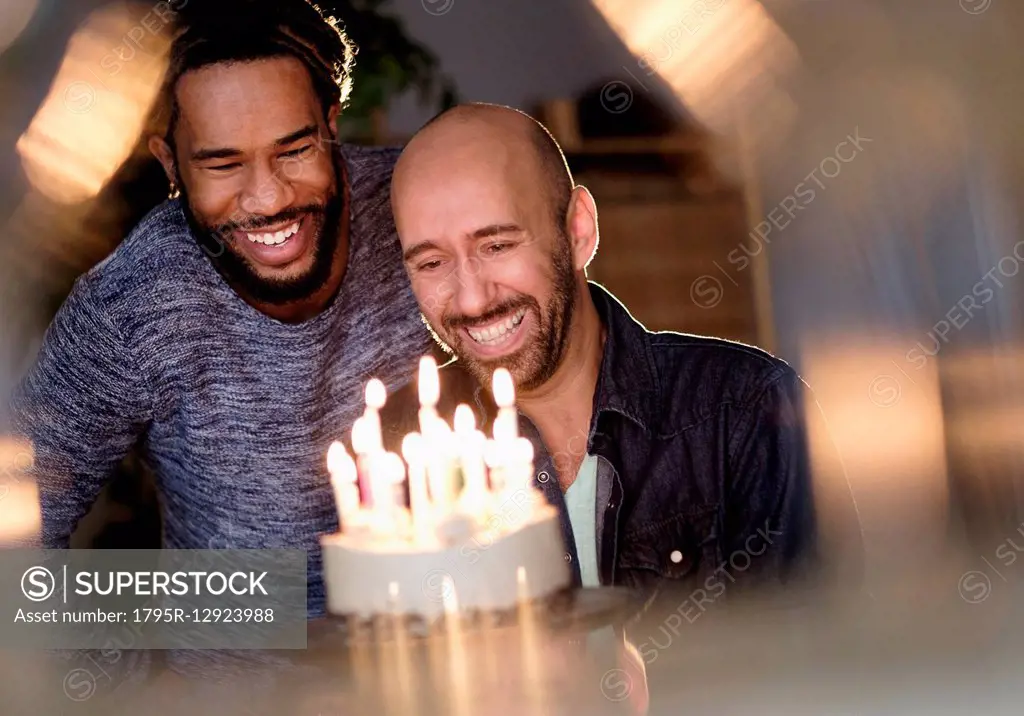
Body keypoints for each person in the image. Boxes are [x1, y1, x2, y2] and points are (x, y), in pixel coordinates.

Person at [10, 0, 432, 618]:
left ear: (331, 125)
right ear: (169, 163)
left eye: (294, 150)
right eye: (223, 163)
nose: (268, 198)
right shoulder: (132, 305)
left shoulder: (421, 211)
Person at [381, 103, 850, 595]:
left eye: (497, 246)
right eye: (431, 263)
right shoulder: (397, 448)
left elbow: (832, 655)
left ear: (578, 230)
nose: (473, 298)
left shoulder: (747, 411)